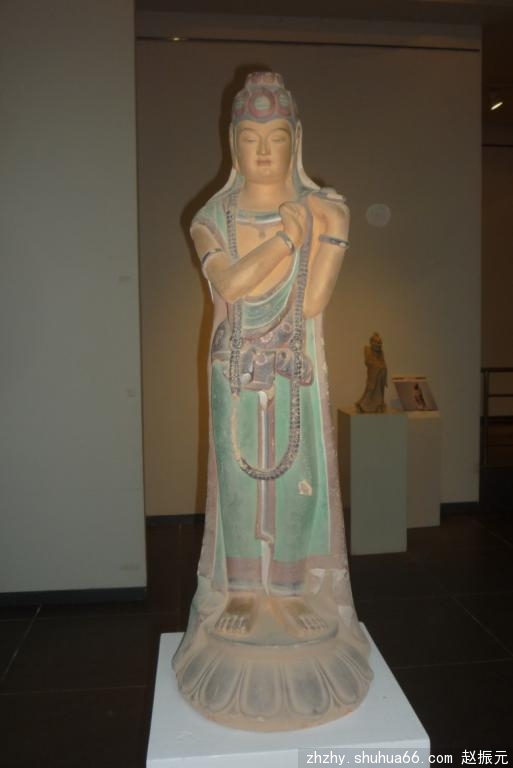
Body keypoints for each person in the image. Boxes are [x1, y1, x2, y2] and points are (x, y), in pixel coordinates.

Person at [173, 72, 371, 730]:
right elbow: (230, 283)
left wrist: (331, 232)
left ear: (296, 141)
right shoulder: (214, 218)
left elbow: (311, 302)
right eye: (251, 137)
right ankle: (241, 592)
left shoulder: (317, 209)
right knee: (238, 479)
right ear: (232, 143)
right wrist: (289, 238)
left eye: (276, 137)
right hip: (234, 364)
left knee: (296, 478)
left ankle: (288, 591)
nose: (263, 150)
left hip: (293, 364)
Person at [355, 332, 388, 413]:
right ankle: (362, 405)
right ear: (372, 342)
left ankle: (379, 404)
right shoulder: (367, 349)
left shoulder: (381, 353)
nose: (378, 345)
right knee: (370, 389)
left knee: (380, 390)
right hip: (374, 374)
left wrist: (383, 368)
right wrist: (377, 366)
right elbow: (368, 362)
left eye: (380, 343)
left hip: (381, 374)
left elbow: (383, 362)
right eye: (376, 343)